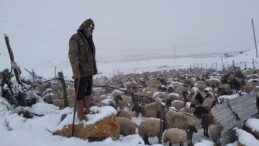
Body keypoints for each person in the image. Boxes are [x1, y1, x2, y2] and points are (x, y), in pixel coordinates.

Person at [68, 19, 98, 121]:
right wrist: (76, 71)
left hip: (89, 70)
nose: (91, 30)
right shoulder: (76, 38)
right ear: (84, 27)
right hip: (81, 72)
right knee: (79, 93)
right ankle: (80, 113)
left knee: (88, 91)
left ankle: (87, 109)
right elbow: (73, 55)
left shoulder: (89, 39)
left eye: (92, 28)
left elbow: (91, 55)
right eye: (89, 28)